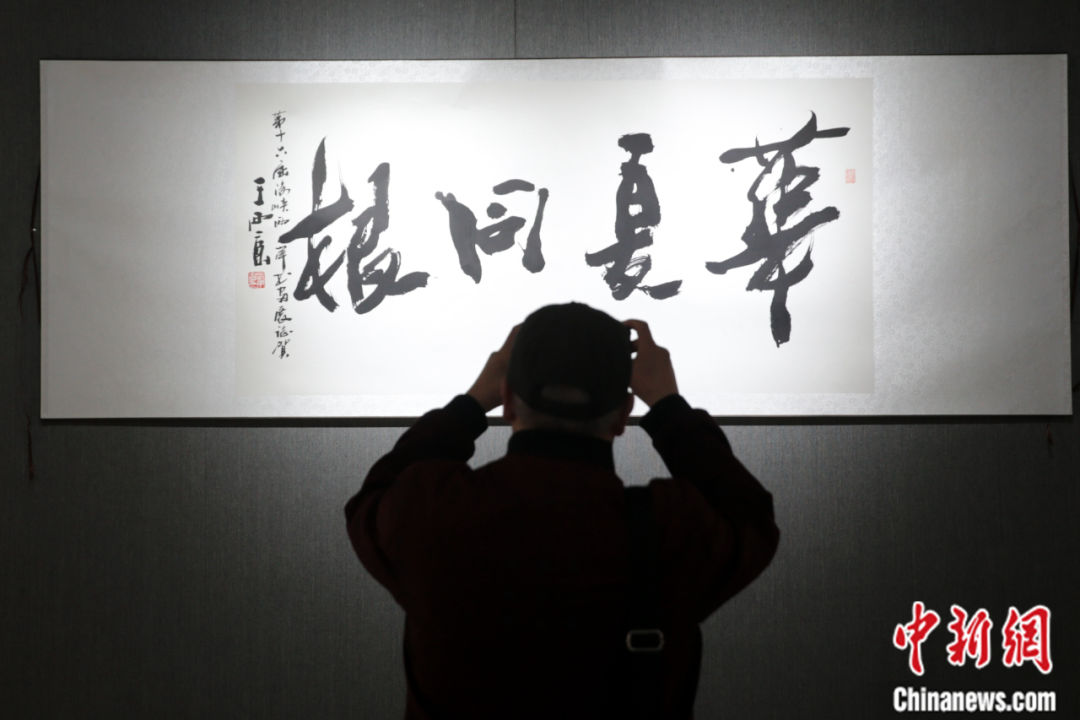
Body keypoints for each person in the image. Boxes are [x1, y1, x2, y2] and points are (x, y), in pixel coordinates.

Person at [345, 302, 778, 719]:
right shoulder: (670, 529)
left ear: (507, 400)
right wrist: (668, 407)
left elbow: (374, 495)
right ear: (623, 415)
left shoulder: (429, 512)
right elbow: (750, 517)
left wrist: (471, 403)